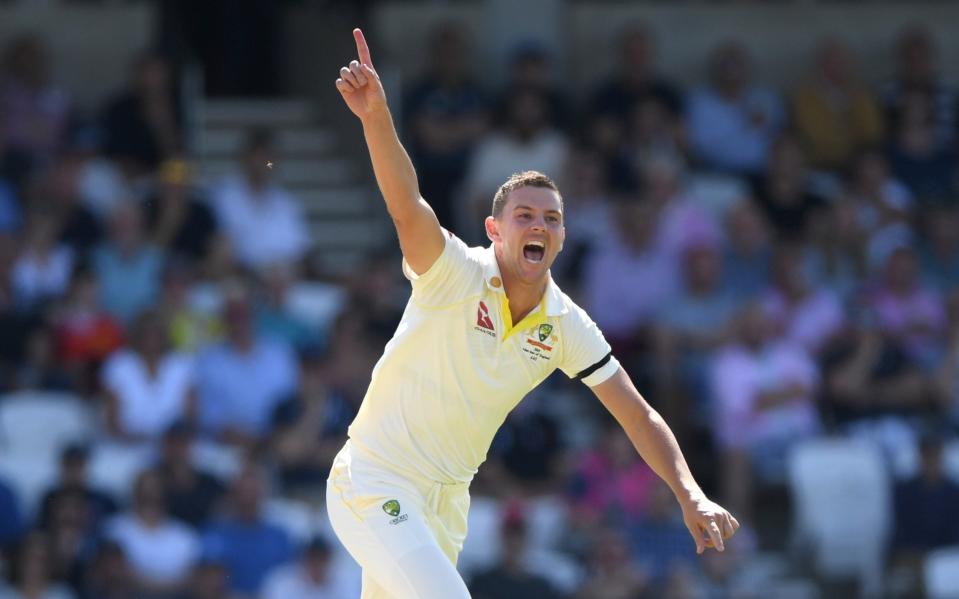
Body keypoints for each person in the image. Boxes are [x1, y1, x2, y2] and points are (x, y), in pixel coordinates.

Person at [327, 29, 739, 599]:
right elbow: (406, 208)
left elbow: (639, 417)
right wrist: (375, 118)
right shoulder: (455, 272)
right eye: (524, 215)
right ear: (495, 230)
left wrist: (689, 491)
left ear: (563, 236)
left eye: (551, 218)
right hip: (375, 480)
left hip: (447, 504)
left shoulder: (566, 325)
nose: (539, 226)